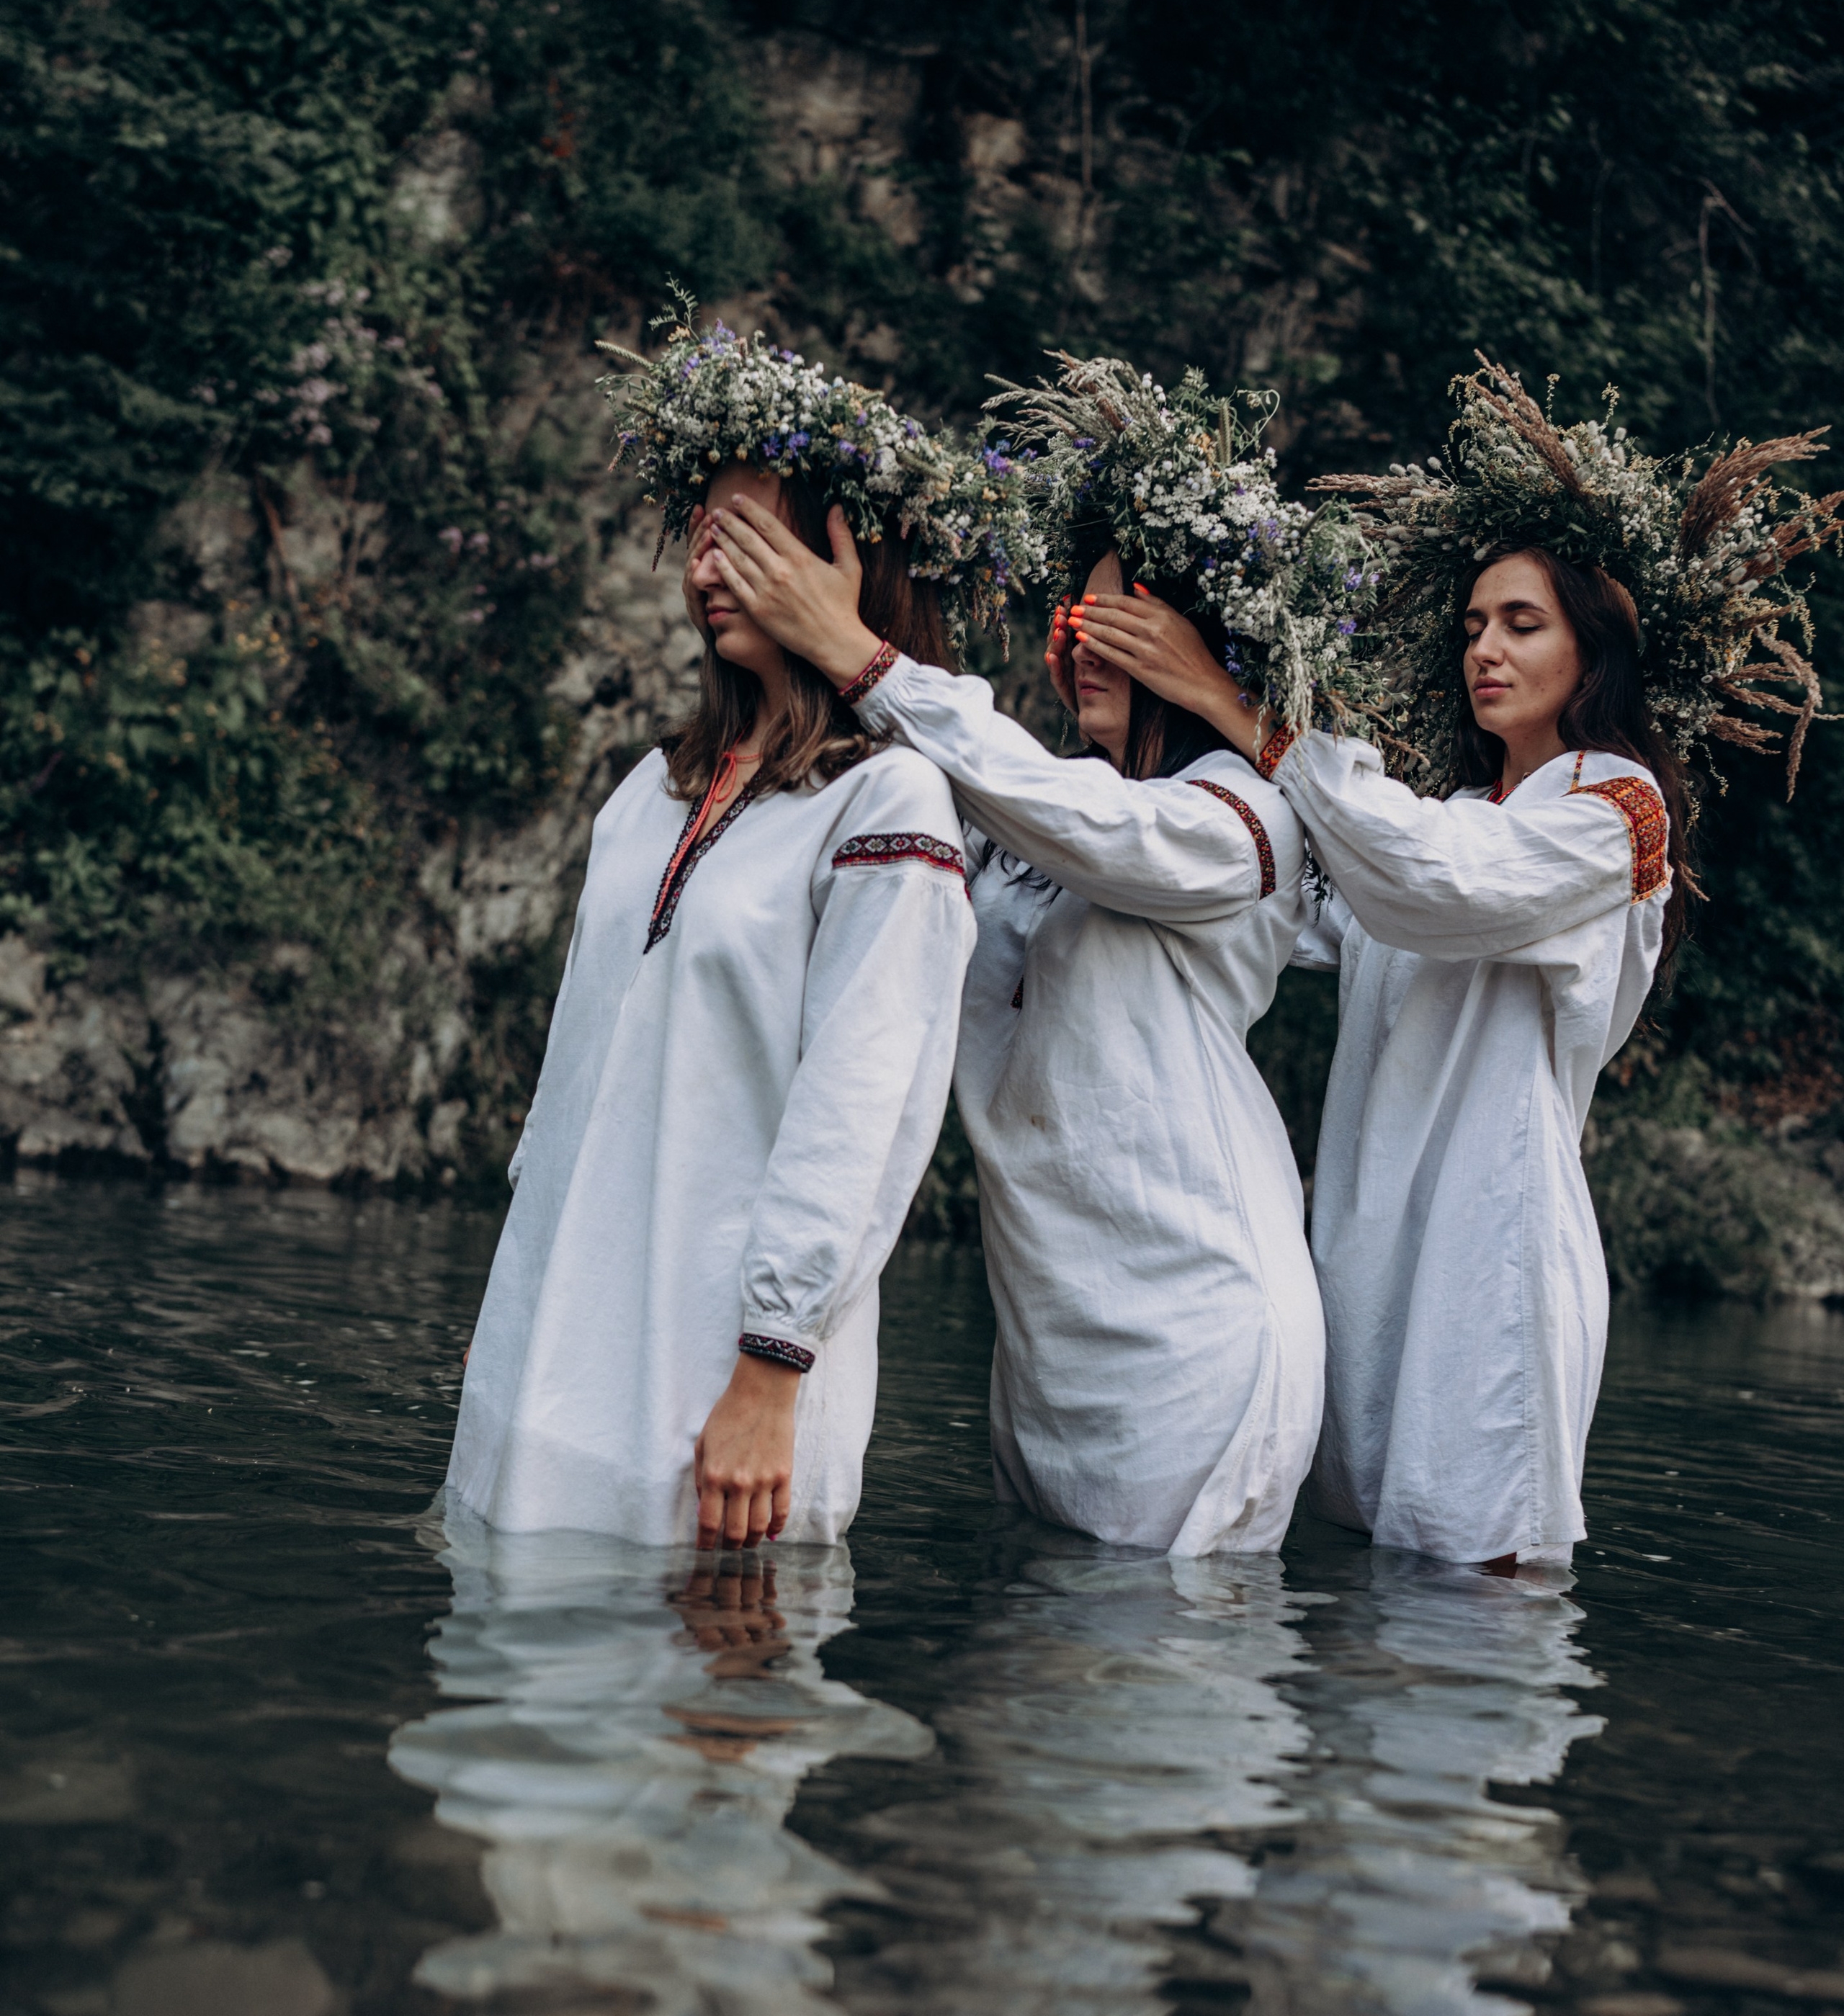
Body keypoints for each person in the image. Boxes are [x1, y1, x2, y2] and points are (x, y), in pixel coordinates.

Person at [1075, 359, 1840, 1569]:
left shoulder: (1613, 810)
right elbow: (1323, 900)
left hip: (1493, 1247)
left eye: (1521, 623)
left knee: (1474, 1602)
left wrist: (1235, 705)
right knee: (1366, 1632)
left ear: (1595, 650)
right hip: (1374, 1246)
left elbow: (1436, 881)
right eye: (1474, 623)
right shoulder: (1460, 811)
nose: (1485, 645)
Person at [699, 356, 1362, 1552]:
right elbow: (904, 819)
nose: (1089, 644)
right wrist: (847, 623)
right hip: (1048, 1334)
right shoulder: (1030, 815)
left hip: (1197, 1328)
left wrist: (866, 656)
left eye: (1127, 622)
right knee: (1026, 1721)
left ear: (1200, 645)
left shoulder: (1243, 819)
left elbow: (1097, 827)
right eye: (1077, 619)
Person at [445, 309, 1027, 1547]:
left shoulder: (887, 804)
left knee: (706, 1709)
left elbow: (861, 1109)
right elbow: (573, 1085)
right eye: (701, 539)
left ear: (846, 559)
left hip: (721, 1386)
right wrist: (512, 1322)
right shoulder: (645, 793)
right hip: (559, 1355)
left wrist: (772, 1367)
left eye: (747, 541)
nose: (708, 570)